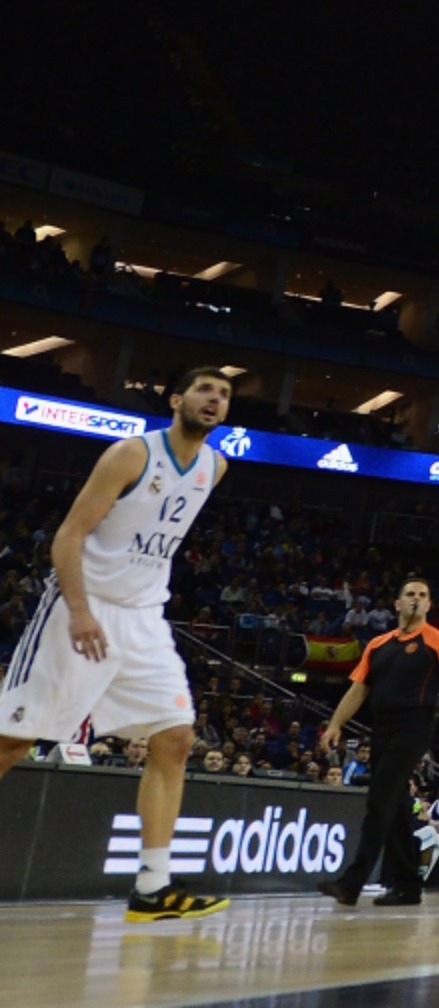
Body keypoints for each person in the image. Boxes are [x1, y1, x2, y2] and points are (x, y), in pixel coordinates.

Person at [0, 367, 234, 919]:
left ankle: (153, 888)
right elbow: (69, 535)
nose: (216, 400)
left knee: (175, 738)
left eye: (224, 395)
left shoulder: (215, 466)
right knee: (13, 740)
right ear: (176, 399)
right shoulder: (131, 454)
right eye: (205, 390)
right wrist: (79, 610)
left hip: (145, 617)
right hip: (83, 607)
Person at [318, 577, 439, 907]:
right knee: (397, 806)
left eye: (423, 595)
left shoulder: (438, 642)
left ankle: (351, 883)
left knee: (379, 799)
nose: (416, 599)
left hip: (414, 727)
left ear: (429, 605)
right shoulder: (378, 644)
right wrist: (335, 724)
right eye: (410, 594)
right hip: (381, 728)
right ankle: (408, 885)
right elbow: (358, 689)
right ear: (397, 604)